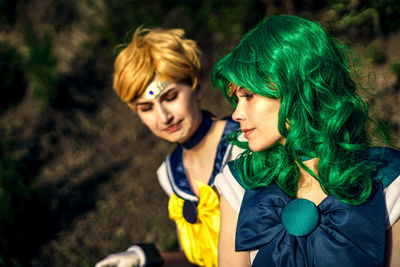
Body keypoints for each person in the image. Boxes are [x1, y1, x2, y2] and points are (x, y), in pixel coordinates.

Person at [211, 15, 400, 267]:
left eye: (249, 95)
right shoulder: (239, 184)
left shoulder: (388, 180)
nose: (236, 114)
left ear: (297, 89)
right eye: (236, 100)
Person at [95, 27, 240, 267]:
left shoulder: (244, 141)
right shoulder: (169, 174)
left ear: (196, 87)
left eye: (170, 97)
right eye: (146, 108)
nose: (163, 117)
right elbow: (198, 257)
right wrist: (144, 258)